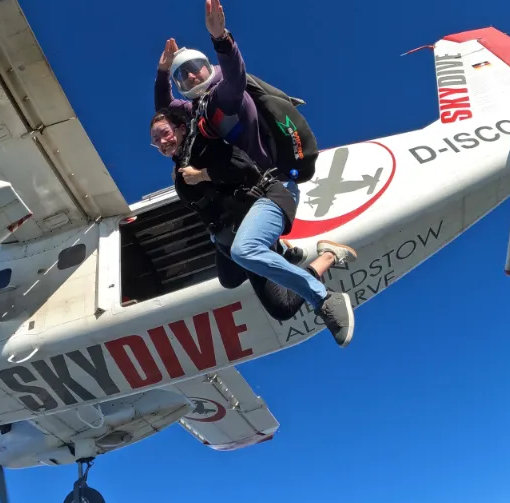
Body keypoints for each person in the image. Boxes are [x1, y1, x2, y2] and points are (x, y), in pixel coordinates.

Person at [150, 104, 357, 342]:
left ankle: (324, 297)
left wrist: (202, 175)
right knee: (237, 283)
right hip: (228, 233)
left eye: (164, 133)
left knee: (249, 259)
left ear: (182, 128)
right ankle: (288, 255)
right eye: (155, 140)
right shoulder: (180, 168)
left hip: (260, 206)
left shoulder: (203, 143)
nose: (161, 142)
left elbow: (242, 166)